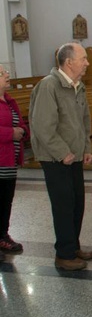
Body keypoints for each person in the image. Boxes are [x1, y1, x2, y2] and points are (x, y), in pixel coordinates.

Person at [29, 42, 92, 271]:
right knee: (63, 205)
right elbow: (42, 125)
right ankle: (64, 254)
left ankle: (73, 245)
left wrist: (86, 147)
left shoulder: (78, 86)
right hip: (55, 158)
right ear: (69, 62)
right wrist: (62, 152)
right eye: (83, 58)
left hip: (74, 155)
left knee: (77, 203)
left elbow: (84, 120)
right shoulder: (49, 86)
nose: (87, 62)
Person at [0, 64, 29, 258]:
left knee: (6, 200)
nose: (7, 74)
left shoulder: (10, 101)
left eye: (6, 72)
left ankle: (3, 235)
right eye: (2, 73)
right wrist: (12, 133)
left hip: (10, 159)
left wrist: (23, 131)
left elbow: (21, 123)